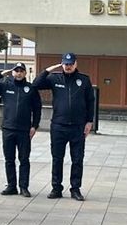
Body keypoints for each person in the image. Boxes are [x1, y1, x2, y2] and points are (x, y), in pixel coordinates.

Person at [33, 53, 96, 201]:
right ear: (62, 64)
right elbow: (36, 84)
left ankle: (75, 189)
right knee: (57, 158)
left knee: (77, 159)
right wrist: (47, 70)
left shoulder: (84, 80)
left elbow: (90, 101)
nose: (68, 66)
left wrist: (89, 121)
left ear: (75, 64)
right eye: (66, 64)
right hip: (58, 126)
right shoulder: (54, 78)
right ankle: (56, 188)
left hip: (78, 126)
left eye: (71, 64)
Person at [0, 64, 42, 197]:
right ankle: (11, 186)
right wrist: (1, 74)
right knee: (9, 159)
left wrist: (34, 126)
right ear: (12, 73)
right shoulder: (6, 86)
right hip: (8, 128)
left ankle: (24, 187)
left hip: (24, 130)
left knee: (24, 159)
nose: (19, 73)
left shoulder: (31, 89)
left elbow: (37, 109)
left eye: (21, 71)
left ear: (25, 73)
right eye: (16, 71)